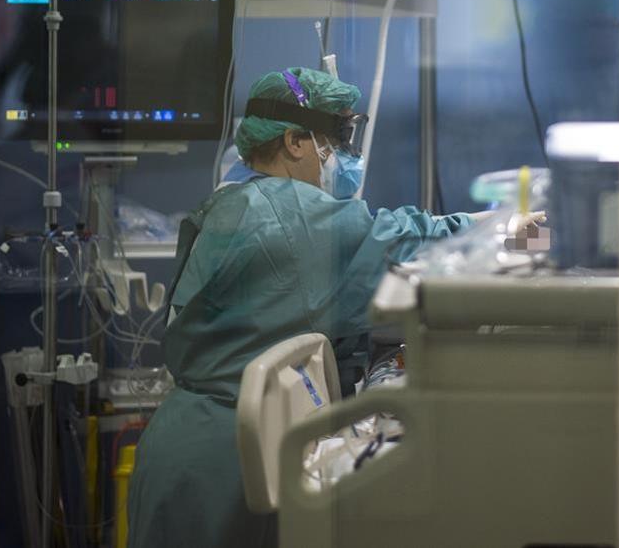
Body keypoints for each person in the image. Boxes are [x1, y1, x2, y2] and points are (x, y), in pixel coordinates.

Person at [128, 68, 485, 548]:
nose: (344, 155)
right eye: (338, 137)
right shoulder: (287, 213)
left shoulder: (239, 201)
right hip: (221, 465)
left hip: (196, 443)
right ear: (296, 141)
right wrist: (527, 230)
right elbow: (422, 244)